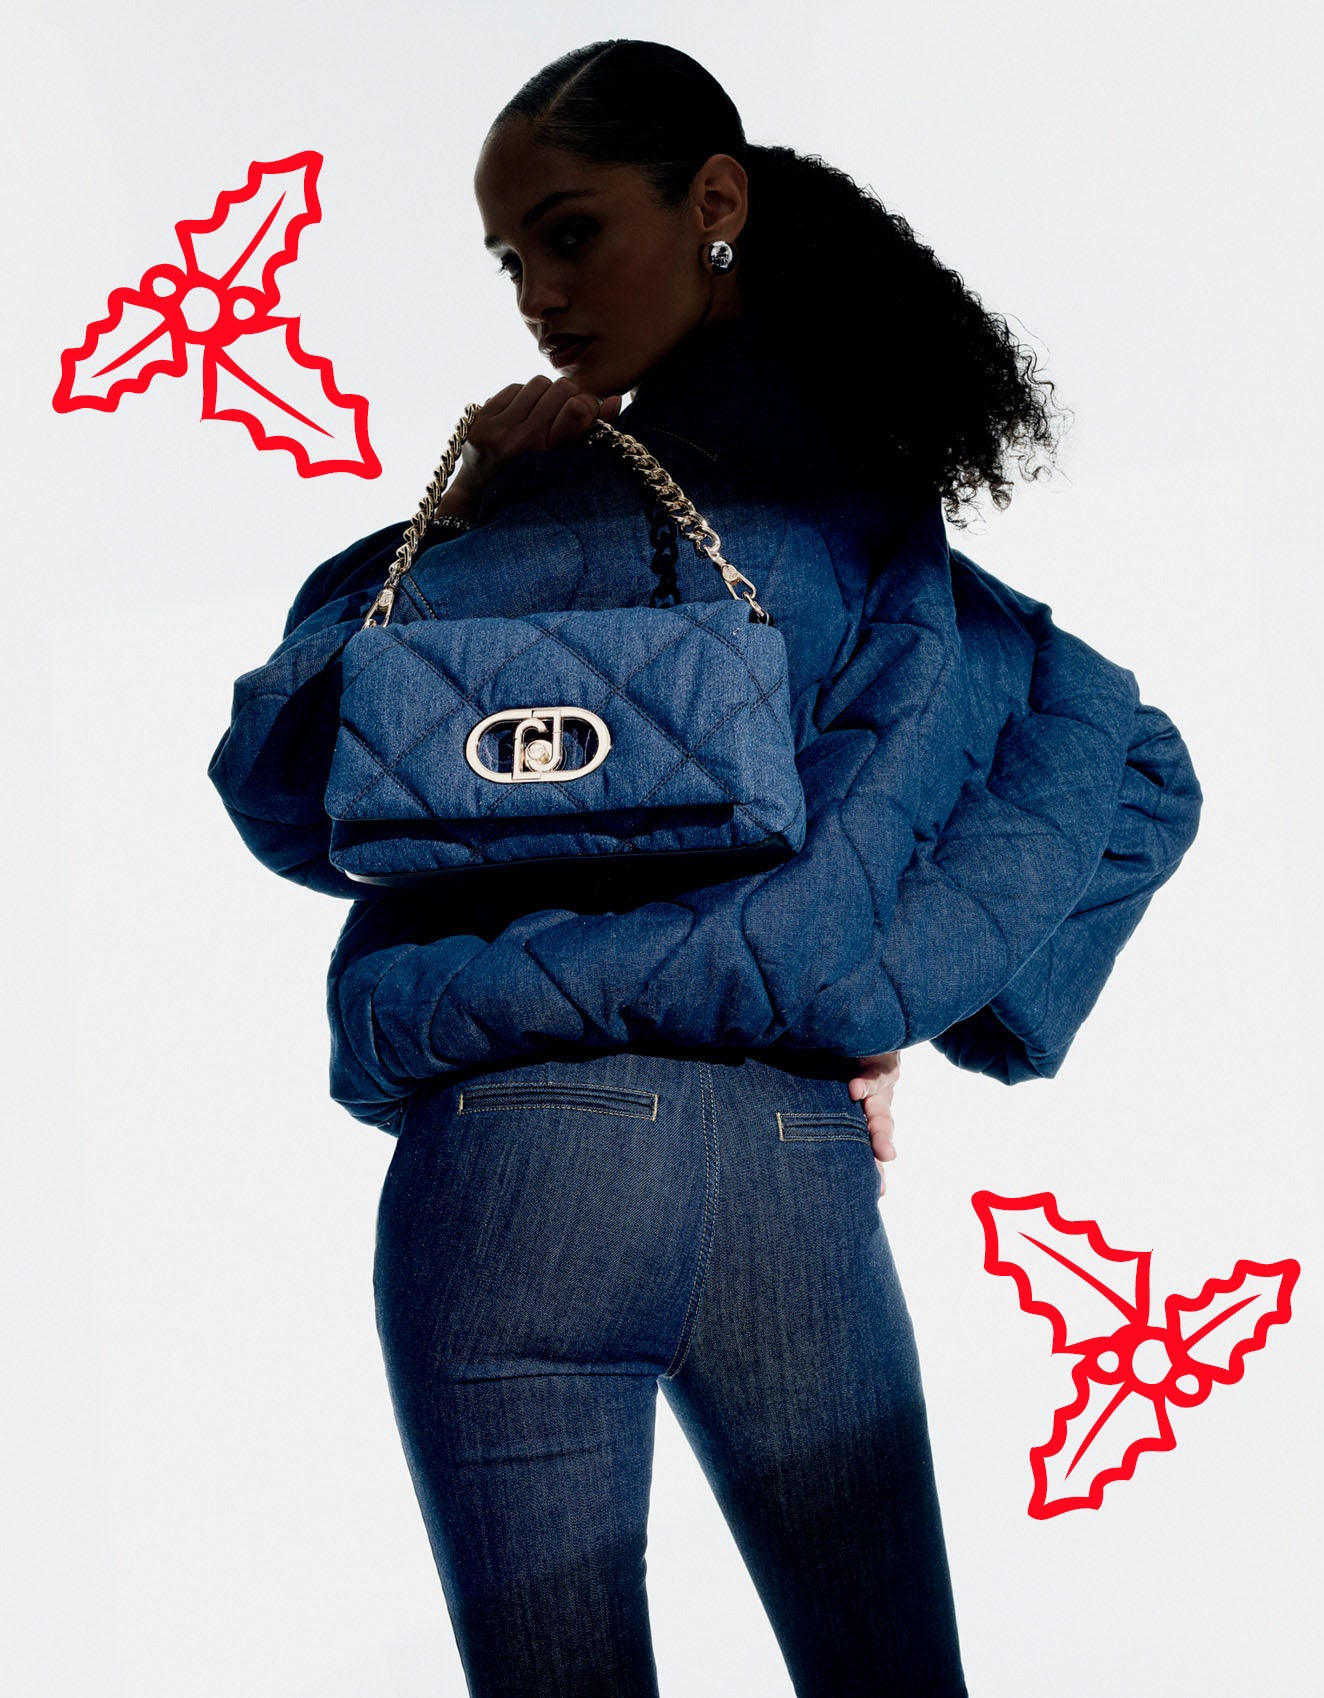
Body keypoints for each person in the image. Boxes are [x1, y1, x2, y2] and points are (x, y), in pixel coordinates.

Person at [207, 38, 1202, 1698]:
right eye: (510, 260)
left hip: (513, 1167)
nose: (538, 294)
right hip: (790, 1168)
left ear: (714, 204)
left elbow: (288, 775)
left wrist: (467, 511)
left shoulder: (535, 520)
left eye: (571, 232)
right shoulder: (881, 538)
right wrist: (891, 991)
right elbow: (1135, 769)